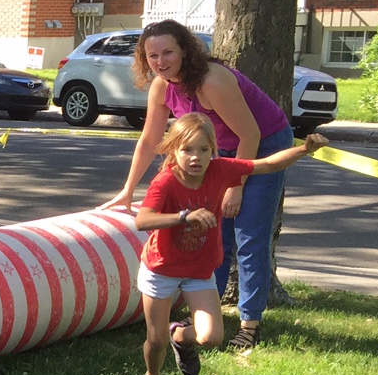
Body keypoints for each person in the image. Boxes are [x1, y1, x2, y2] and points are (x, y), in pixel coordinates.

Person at [105, 19, 297, 353]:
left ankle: (249, 324)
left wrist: (235, 187)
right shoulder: (162, 87)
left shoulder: (211, 81)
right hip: (216, 150)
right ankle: (207, 315)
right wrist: (128, 190)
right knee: (213, 233)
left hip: (263, 144)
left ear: (184, 50)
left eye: (168, 52)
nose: (160, 61)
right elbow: (149, 140)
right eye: (152, 56)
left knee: (249, 236)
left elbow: (249, 134)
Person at [132, 112, 329, 375]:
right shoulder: (165, 182)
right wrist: (185, 216)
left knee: (211, 337)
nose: (196, 157)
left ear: (213, 150)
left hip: (199, 270)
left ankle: (180, 337)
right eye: (187, 150)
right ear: (173, 149)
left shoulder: (221, 170)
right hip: (161, 268)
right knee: (156, 338)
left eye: (204, 149)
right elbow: (143, 220)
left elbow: (267, 164)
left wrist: (304, 150)